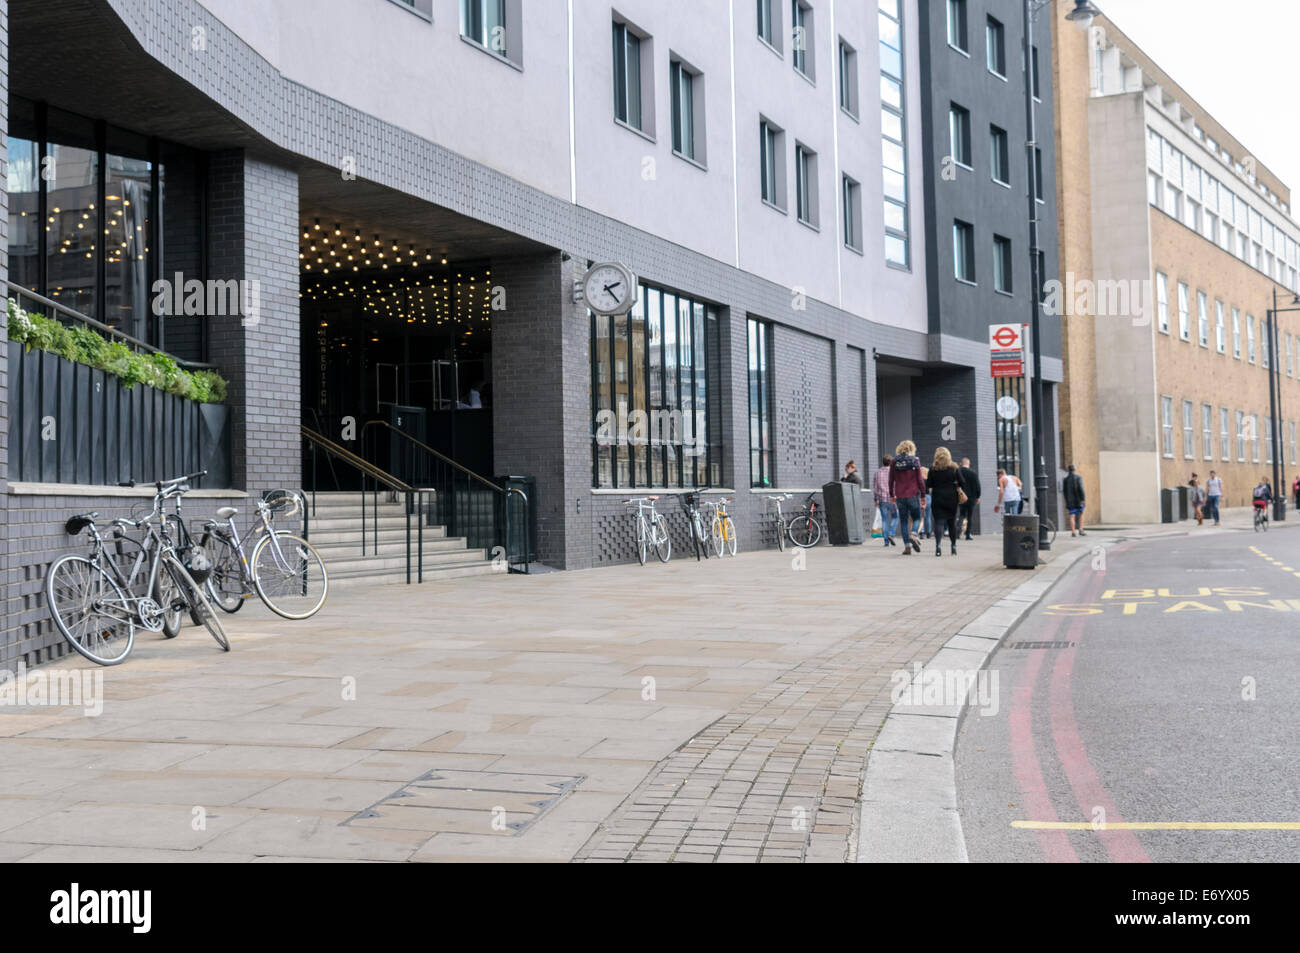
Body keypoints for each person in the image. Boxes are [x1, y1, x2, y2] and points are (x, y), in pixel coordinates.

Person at [925, 447, 965, 557]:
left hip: (937, 497)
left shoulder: (933, 469)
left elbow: (928, 484)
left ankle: (938, 547)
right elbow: (962, 482)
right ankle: (953, 547)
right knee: (951, 523)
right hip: (951, 498)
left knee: (939, 522)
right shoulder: (954, 467)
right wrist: (955, 484)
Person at [889, 440, 927, 556]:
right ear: (911, 449)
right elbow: (920, 480)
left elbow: (891, 480)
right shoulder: (915, 461)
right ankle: (914, 534)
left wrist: (892, 495)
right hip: (913, 494)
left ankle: (907, 547)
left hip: (900, 495)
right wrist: (923, 495)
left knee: (904, 522)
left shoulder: (894, 462)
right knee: (917, 517)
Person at [873, 456, 899, 547]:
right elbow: (896, 485)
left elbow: (875, 488)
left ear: (883, 462)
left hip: (882, 500)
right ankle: (891, 534)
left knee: (884, 519)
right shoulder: (894, 472)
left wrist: (875, 499)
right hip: (892, 499)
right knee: (895, 517)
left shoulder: (877, 473)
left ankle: (886, 541)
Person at [958, 457, 981, 539]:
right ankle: (968, 535)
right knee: (970, 516)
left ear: (961, 463)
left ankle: (957, 532)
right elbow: (978, 486)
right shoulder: (973, 473)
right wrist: (978, 497)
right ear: (968, 464)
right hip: (972, 498)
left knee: (961, 515)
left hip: (961, 497)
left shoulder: (958, 472)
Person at [1063, 464, 1087, 536]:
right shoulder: (1078, 477)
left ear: (1068, 470)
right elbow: (1081, 489)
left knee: (1072, 516)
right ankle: (1081, 529)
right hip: (1079, 500)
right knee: (1081, 514)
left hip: (1070, 501)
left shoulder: (1065, 479)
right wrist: (1083, 499)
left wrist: (1067, 500)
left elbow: (1064, 491)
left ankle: (1073, 532)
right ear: (1074, 469)